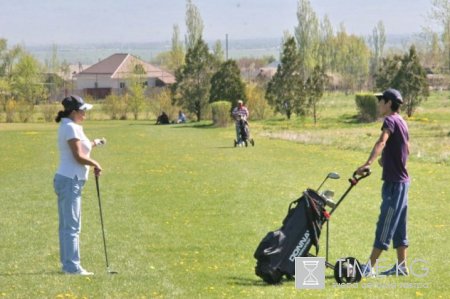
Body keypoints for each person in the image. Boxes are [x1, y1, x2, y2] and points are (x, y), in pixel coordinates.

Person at [356, 88, 410, 277]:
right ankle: (402, 266)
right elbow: (406, 149)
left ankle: (369, 267)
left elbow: (382, 142)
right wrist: (386, 161)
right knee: (399, 225)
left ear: (388, 103)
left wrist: (367, 163)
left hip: (394, 184)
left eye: (381, 101)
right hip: (403, 183)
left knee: (385, 223)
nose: (379, 104)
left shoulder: (389, 121)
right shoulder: (402, 121)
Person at [54, 95, 105, 275]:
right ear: (74, 112)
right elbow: (78, 156)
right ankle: (72, 267)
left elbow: (81, 148)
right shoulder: (70, 128)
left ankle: (67, 264)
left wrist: (94, 143)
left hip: (69, 179)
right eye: (83, 111)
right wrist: (95, 164)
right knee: (72, 226)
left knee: (68, 225)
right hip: (70, 180)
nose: (85, 114)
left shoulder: (71, 127)